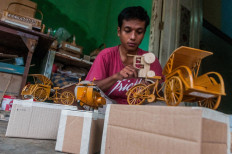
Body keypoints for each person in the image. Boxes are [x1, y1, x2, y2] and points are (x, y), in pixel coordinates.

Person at [85, 6, 163, 104]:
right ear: (119, 32)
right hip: (108, 110)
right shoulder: (105, 56)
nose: (133, 37)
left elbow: (160, 93)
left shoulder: (150, 59)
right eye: (127, 30)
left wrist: (150, 87)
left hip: (138, 113)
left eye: (139, 32)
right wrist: (116, 77)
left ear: (143, 34)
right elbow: (90, 88)